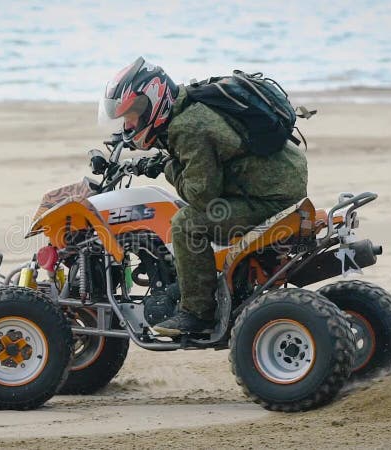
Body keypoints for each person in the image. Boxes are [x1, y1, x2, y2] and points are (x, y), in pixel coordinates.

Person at [99, 57, 308, 335]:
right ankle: (200, 283)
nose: (128, 125)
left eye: (131, 116)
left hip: (270, 197)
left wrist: (170, 168)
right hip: (280, 181)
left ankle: (197, 313)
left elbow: (201, 195)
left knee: (187, 223)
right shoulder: (188, 105)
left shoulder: (188, 127)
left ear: (151, 103)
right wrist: (164, 162)